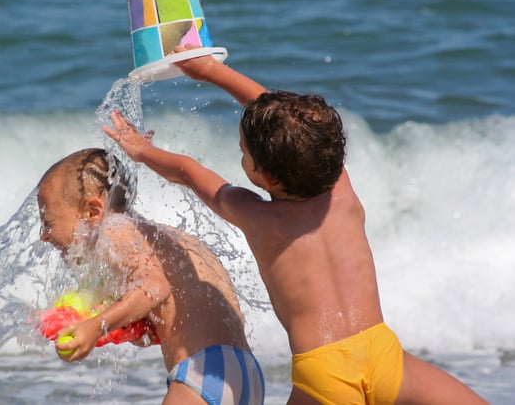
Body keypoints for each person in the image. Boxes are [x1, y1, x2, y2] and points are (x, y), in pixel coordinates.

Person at [102, 47, 488, 404]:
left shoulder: (258, 217)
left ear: (263, 175)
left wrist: (142, 150)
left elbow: (189, 172)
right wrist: (211, 71)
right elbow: (287, 121)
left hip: (324, 376)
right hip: (385, 357)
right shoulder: (341, 191)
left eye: (243, 152)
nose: (241, 154)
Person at [37, 148, 265, 405]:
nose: (43, 235)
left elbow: (156, 288)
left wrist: (95, 326)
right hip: (244, 372)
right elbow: (174, 311)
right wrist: (135, 330)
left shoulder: (115, 231)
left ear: (92, 211)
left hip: (201, 372)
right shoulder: (161, 238)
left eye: (47, 221)